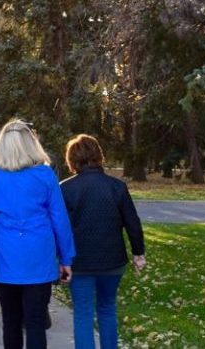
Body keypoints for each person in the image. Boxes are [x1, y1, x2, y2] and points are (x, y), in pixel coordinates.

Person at [0, 120, 74, 349]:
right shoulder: (45, 174)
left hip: (4, 256)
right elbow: (60, 220)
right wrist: (66, 258)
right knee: (36, 321)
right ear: (31, 143)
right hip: (39, 256)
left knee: (11, 321)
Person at [59, 134, 146, 349]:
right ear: (98, 156)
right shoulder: (116, 187)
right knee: (107, 309)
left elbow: (61, 229)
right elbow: (132, 222)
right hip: (112, 261)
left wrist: (60, 258)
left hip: (79, 262)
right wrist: (138, 253)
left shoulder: (66, 188)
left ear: (73, 159)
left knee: (83, 314)